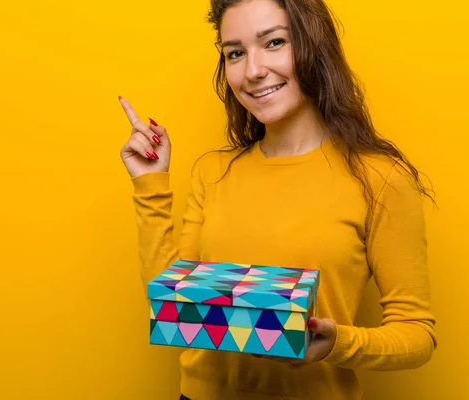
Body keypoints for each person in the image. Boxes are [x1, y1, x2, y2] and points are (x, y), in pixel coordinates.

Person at [118, 0, 438, 398]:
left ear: (313, 47)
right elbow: (172, 298)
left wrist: (337, 343)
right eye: (235, 53)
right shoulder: (212, 171)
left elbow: (416, 335)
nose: (252, 71)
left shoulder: (381, 179)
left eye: (273, 43)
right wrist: (151, 184)